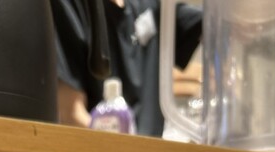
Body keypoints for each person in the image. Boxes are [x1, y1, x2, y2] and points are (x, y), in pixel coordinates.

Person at [50, 0, 202, 137]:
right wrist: (124, 151)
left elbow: (211, 21)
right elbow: (71, 114)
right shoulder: (69, 6)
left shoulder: (151, 6)